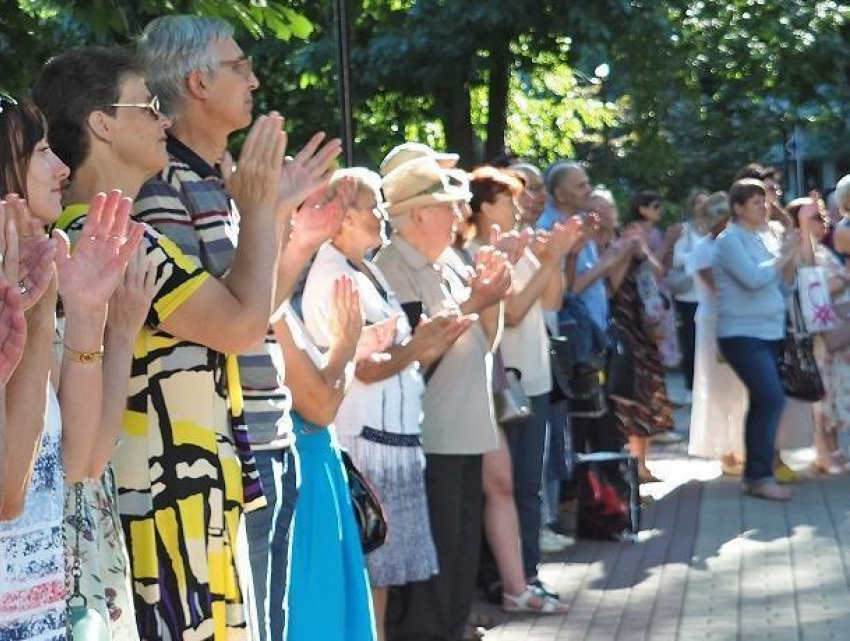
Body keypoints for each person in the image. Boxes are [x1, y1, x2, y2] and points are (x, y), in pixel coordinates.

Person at [131, 16, 344, 638]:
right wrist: (266, 210)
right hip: (217, 456)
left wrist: (285, 228)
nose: (253, 79)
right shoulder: (159, 184)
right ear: (197, 81)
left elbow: (254, 310)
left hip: (265, 438)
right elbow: (228, 326)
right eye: (239, 66)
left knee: (269, 622)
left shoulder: (224, 182)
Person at [302, 168, 471, 640]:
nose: (381, 214)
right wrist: (422, 344)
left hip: (393, 439)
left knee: (386, 574)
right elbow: (366, 367)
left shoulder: (365, 266)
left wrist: (432, 337)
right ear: (341, 215)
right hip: (368, 443)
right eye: (372, 205)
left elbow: (391, 351)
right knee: (373, 569)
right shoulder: (333, 275)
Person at [0, 97, 142, 639]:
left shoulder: (33, 280)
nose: (63, 167)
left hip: (44, 614)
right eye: (40, 151)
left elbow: (79, 462)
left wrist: (86, 315)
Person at [376, 157, 511, 641]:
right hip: (428, 431)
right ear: (415, 215)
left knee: (460, 545)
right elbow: (414, 352)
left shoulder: (449, 261)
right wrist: (477, 300)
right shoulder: (392, 267)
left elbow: (485, 344)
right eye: (446, 207)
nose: (458, 216)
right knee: (434, 551)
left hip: (465, 428)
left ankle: (454, 626)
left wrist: (493, 294)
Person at [467, 167, 575, 613]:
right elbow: (511, 313)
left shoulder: (519, 242)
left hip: (534, 378)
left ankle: (526, 574)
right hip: (507, 384)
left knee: (528, 484)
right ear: (486, 206)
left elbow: (550, 300)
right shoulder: (480, 251)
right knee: (508, 486)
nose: (520, 205)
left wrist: (554, 258)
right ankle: (515, 578)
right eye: (510, 199)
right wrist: (548, 261)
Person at [714, 179, 800, 501]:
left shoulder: (768, 235)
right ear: (737, 208)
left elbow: (783, 285)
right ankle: (760, 475)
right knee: (771, 398)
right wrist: (783, 256)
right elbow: (753, 279)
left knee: (764, 400)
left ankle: (756, 475)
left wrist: (789, 260)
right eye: (755, 202)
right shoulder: (729, 240)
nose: (764, 207)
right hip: (741, 333)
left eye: (764, 201)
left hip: (770, 330)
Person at [605, 193, 677, 483]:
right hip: (623, 322)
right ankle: (631, 466)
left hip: (644, 321)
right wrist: (625, 250)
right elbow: (612, 284)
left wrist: (647, 249)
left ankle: (642, 464)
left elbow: (656, 272)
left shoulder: (641, 238)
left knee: (647, 391)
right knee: (629, 396)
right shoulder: (615, 243)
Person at [686, 192, 746, 473]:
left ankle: (739, 446)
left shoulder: (731, 244)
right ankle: (725, 451)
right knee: (720, 390)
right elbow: (718, 288)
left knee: (739, 387)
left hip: (734, 320)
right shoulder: (704, 250)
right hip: (714, 323)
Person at [792, 197, 850, 474]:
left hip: (834, 334)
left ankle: (834, 450)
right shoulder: (807, 251)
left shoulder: (824, 251)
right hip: (823, 337)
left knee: (834, 391)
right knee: (825, 395)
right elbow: (815, 287)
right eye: (817, 217)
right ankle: (825, 453)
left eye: (823, 215)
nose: (824, 221)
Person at [670, 188, 709, 403]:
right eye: (698, 203)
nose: (702, 208)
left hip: (709, 295)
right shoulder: (686, 231)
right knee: (690, 343)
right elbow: (677, 258)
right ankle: (690, 387)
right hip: (688, 296)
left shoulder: (717, 229)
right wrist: (699, 257)